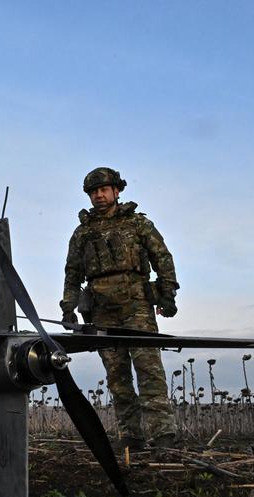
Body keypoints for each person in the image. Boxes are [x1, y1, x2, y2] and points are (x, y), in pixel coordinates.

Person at [60, 167, 179, 451]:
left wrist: (167, 294)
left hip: (136, 305)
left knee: (149, 371)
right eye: (93, 192)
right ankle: (132, 437)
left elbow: (162, 257)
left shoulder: (138, 224)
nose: (98, 196)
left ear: (116, 191)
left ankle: (163, 438)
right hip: (101, 309)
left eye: (103, 190)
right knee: (117, 377)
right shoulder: (83, 232)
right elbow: (72, 272)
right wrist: (68, 308)